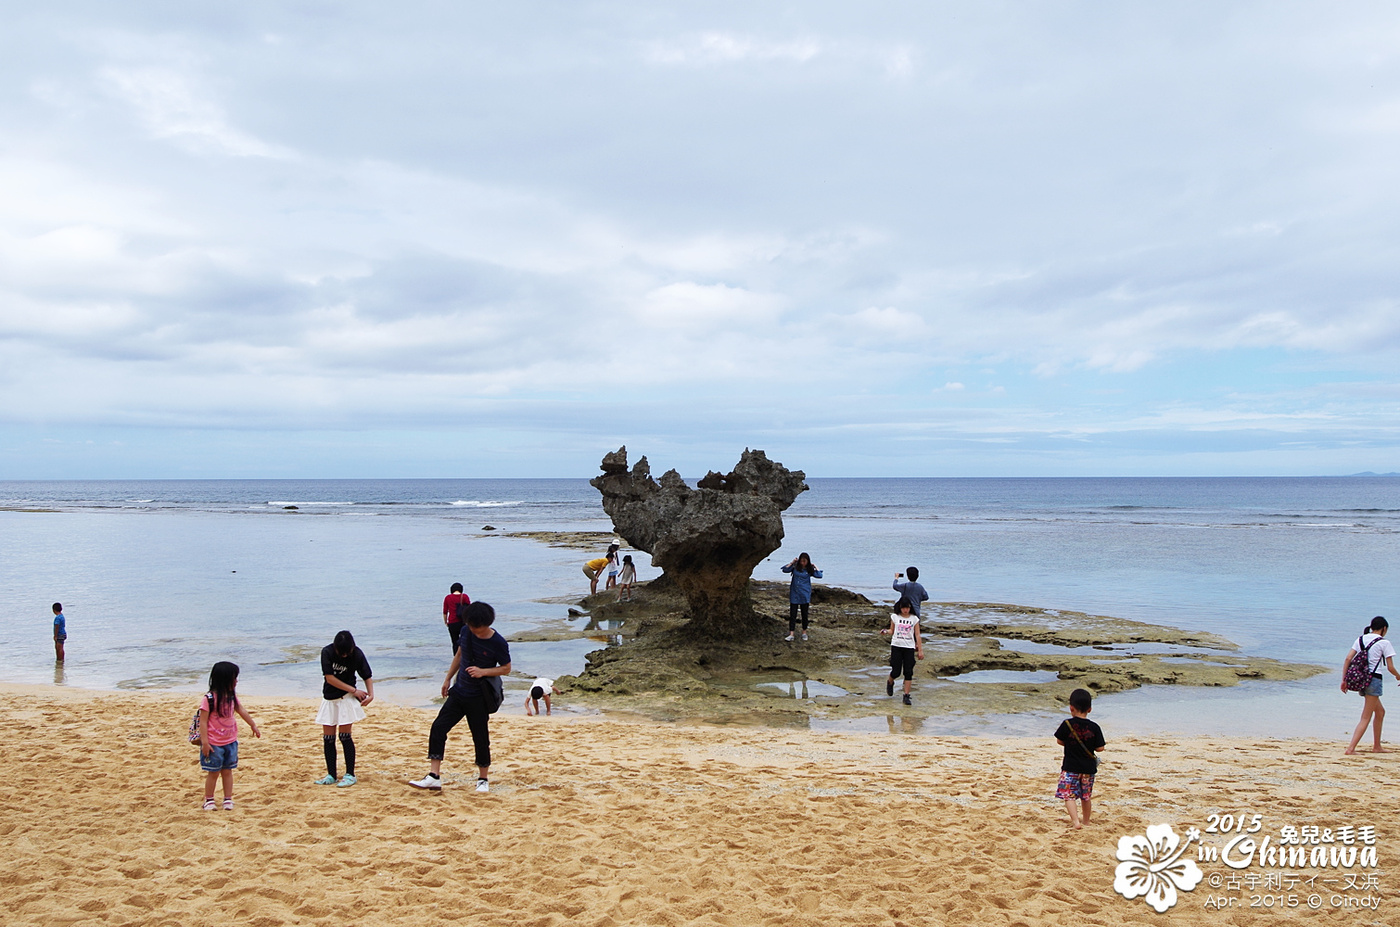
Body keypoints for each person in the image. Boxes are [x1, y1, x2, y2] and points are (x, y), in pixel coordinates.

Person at [409, 601, 511, 793]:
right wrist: (447, 679)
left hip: (479, 697)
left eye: (478, 629)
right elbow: (459, 655)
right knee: (438, 727)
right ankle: (434, 776)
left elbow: (506, 668)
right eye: (471, 627)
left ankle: (483, 779)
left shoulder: (498, 642)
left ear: (487, 624)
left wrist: (483, 671)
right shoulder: (465, 632)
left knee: (480, 737)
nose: (474, 631)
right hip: (459, 691)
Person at [197, 661, 261, 811]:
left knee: (227, 771)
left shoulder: (231, 697)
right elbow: (203, 722)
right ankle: (209, 799)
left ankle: (227, 798)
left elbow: (241, 710)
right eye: (234, 678)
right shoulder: (209, 699)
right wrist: (205, 743)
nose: (236, 681)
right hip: (213, 743)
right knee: (213, 772)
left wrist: (252, 724)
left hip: (230, 741)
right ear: (225, 679)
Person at [315, 630, 374, 787]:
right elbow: (330, 678)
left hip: (346, 700)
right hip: (330, 698)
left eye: (347, 653)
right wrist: (354, 691)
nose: (344, 656)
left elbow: (366, 674)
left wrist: (371, 694)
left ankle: (350, 774)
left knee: (345, 736)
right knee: (328, 738)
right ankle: (331, 775)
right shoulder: (326, 652)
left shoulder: (356, 653)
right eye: (341, 653)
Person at [1342, 616, 1400, 755]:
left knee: (1380, 712)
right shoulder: (1384, 643)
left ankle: (1377, 746)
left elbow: (1348, 658)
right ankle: (1351, 749)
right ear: (1384, 629)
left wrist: (1344, 679)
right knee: (1366, 717)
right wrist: (1398, 677)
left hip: (1361, 680)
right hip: (1373, 680)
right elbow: (1390, 667)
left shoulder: (1361, 639)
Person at [1053, 688, 1105, 829]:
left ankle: (1076, 822)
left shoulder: (1067, 724)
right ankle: (1086, 821)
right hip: (1088, 768)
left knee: (1068, 795)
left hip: (1070, 767)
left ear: (1071, 708)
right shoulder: (1094, 727)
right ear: (1090, 709)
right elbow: (1100, 748)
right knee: (1086, 796)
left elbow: (1059, 741)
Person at [880, 597, 924, 705]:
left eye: (907, 608)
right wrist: (885, 631)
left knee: (908, 672)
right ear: (900, 607)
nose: (905, 610)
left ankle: (906, 695)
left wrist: (920, 650)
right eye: (904, 608)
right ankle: (890, 682)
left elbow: (917, 634)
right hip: (896, 646)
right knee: (896, 671)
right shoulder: (895, 617)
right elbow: (892, 630)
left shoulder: (914, 619)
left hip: (909, 647)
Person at [780, 552, 822, 642]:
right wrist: (792, 562)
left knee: (804, 614)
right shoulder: (795, 567)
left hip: (804, 594)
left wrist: (815, 566)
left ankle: (804, 632)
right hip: (794, 593)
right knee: (793, 614)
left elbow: (819, 575)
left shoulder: (809, 570)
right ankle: (791, 634)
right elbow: (785, 570)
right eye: (801, 561)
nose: (803, 563)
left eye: (805, 561)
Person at [442, 582, 471, 653]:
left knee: (454, 642)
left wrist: (446, 622)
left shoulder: (448, 598)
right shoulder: (464, 596)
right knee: (466, 641)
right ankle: (465, 657)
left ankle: (456, 658)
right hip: (463, 622)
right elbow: (469, 610)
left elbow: (445, 612)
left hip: (452, 622)